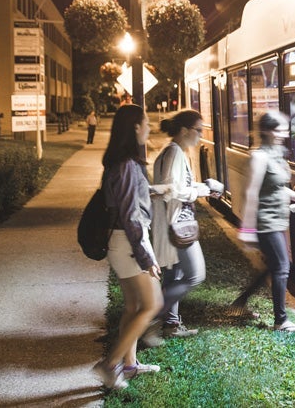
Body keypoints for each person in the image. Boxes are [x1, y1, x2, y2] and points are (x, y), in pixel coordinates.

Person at [92, 104, 163, 390]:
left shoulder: (118, 162)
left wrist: (155, 191)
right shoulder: (127, 165)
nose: (149, 128)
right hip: (129, 243)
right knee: (152, 304)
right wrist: (147, 258)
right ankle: (110, 365)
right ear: (135, 127)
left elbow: (128, 202)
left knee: (134, 305)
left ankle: (130, 365)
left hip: (120, 241)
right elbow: (132, 216)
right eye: (146, 123)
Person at [144, 110, 222, 347]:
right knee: (195, 275)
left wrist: (205, 186)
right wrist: (201, 191)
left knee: (173, 275)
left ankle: (171, 324)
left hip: (174, 223)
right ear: (185, 131)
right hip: (176, 226)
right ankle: (151, 319)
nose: (200, 135)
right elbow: (171, 189)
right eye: (199, 130)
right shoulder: (175, 153)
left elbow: (177, 185)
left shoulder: (173, 151)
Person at [236, 111, 295, 332]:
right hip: (266, 222)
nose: (284, 133)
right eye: (279, 129)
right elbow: (251, 193)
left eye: (285, 128)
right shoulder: (259, 156)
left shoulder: (277, 153)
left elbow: (281, 187)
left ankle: (241, 301)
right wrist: (248, 229)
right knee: (282, 266)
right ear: (266, 131)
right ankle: (280, 320)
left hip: (279, 219)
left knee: (274, 266)